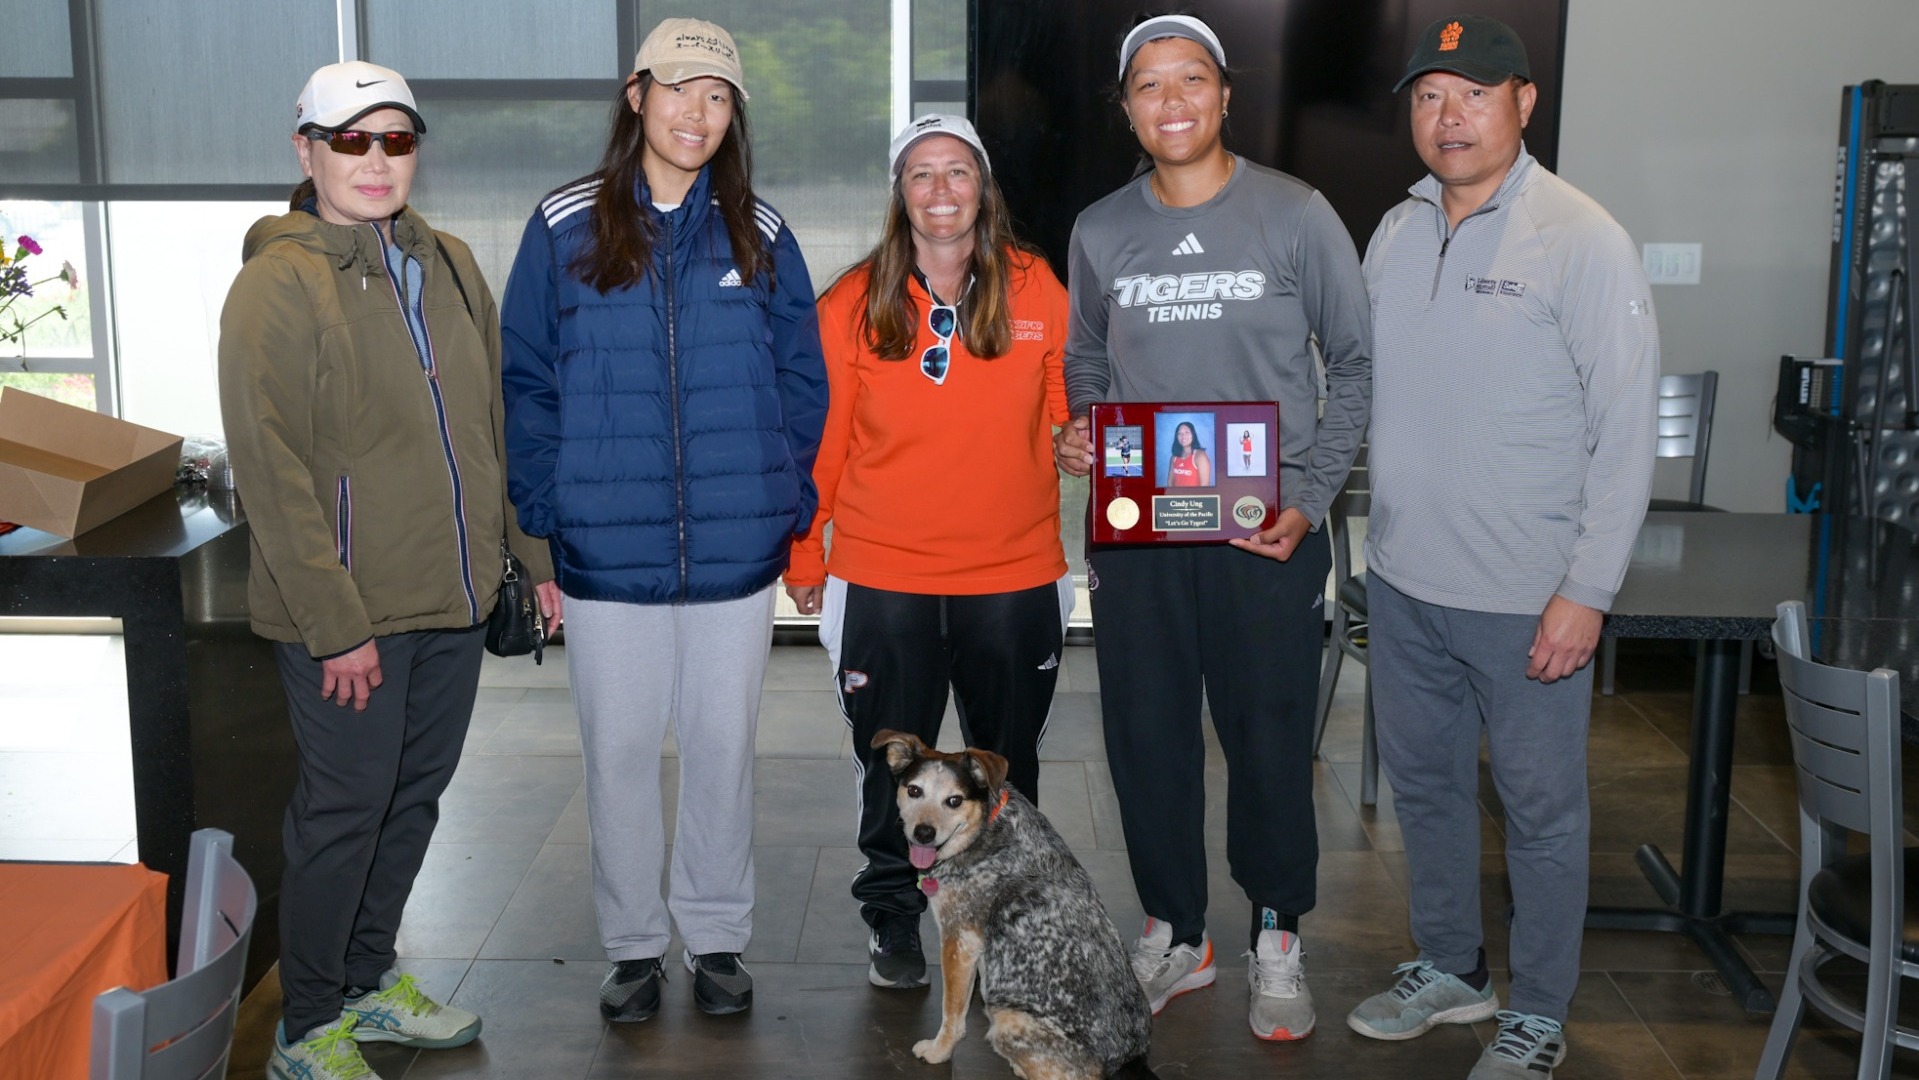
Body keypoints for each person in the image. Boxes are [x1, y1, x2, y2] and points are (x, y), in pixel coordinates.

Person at [219, 61, 554, 1080]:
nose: (374, 160)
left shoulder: (447, 262)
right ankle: (306, 1021)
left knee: (412, 800)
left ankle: (367, 980)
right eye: (350, 139)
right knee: (343, 813)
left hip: (451, 596)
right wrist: (336, 626)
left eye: (395, 140)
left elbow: (491, 426)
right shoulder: (275, 284)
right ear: (306, 150)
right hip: (348, 614)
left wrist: (528, 558)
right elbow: (270, 471)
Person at [1342, 16, 1657, 1080]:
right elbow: (1362, 389)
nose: (1448, 117)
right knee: (1426, 793)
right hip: (1403, 582)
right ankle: (1450, 968)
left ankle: (1539, 1011)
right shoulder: (1394, 232)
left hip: (1528, 598)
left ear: (1523, 101)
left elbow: (1624, 429)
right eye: (1429, 96)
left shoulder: (1580, 236)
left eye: (1473, 93)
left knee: (1540, 814)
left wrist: (1587, 590)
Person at [499, 18, 828, 1024]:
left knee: (723, 751)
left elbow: (801, 380)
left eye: (718, 96)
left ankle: (717, 936)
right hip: (607, 548)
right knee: (620, 755)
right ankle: (635, 946)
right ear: (637, 95)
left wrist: (784, 499)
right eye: (680, 89)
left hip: (734, 547)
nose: (698, 113)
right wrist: (548, 513)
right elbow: (525, 380)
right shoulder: (564, 226)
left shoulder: (761, 233)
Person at [1054, 12, 1371, 1043]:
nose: (1172, 100)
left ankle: (1276, 936)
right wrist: (1087, 430)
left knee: (1268, 738)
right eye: (1148, 85)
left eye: (1190, 79)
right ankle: (1176, 933)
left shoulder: (1294, 213)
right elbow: (1087, 360)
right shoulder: (1100, 229)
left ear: (1224, 94)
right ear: (1126, 109)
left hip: (1264, 534)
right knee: (1144, 737)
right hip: (1140, 535)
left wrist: (1309, 495)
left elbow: (1354, 364)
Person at [783, 113, 1072, 991]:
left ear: (982, 187)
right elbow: (822, 441)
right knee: (894, 768)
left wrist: (1083, 438)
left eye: (957, 171)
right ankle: (892, 916)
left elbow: (1069, 400)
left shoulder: (1034, 285)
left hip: (1012, 573)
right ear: (899, 193)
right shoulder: (851, 301)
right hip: (883, 574)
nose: (940, 190)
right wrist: (805, 554)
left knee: (1003, 765)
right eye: (921, 173)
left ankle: (1006, 914)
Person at [1165, 420, 1211, 486]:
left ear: (1193, 435)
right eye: (1180, 433)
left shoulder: (1200, 456)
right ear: (1176, 437)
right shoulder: (1174, 457)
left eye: (1187, 432)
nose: (1183, 436)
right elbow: (1170, 482)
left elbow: (1205, 486)